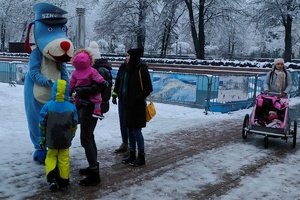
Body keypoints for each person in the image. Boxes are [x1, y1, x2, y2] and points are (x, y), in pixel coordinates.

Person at [38, 79, 78, 192]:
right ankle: (64, 181)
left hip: (51, 139)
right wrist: (71, 135)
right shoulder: (71, 107)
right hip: (65, 139)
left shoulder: (48, 106)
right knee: (64, 158)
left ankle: (52, 179)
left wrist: (42, 138)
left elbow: (42, 124)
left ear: (54, 90)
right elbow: (74, 124)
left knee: (51, 157)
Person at [121, 48, 153, 167]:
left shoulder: (141, 69)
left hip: (137, 106)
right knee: (129, 129)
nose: (126, 57)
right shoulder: (130, 69)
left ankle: (141, 156)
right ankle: (132, 153)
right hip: (129, 104)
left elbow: (148, 87)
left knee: (136, 131)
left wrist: (138, 98)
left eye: (128, 55)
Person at [69, 48, 109, 119]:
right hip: (89, 88)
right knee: (98, 99)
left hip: (79, 91)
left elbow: (72, 83)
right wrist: (103, 81)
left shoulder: (75, 72)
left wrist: (70, 90)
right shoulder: (91, 70)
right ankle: (97, 111)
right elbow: (97, 77)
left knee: (76, 100)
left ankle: (74, 111)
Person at [112, 58, 130, 155]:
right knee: (122, 122)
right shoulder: (122, 68)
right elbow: (118, 81)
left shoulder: (135, 68)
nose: (127, 58)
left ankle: (131, 146)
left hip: (131, 100)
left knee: (130, 123)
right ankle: (125, 143)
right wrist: (114, 95)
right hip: (122, 99)